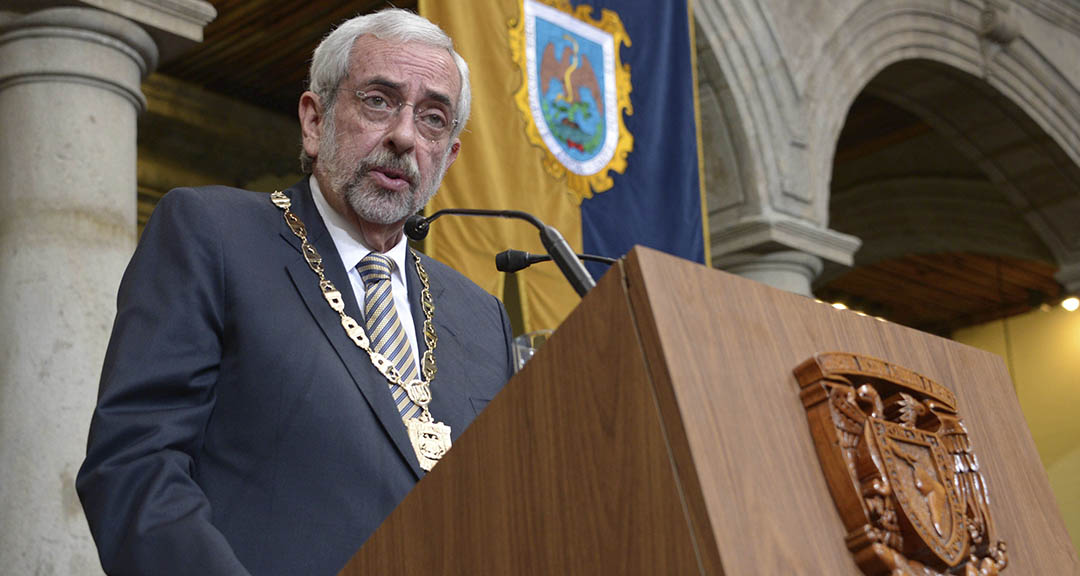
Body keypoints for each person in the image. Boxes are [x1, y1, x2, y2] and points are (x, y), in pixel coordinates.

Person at [76, 9, 514, 576]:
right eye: (379, 100)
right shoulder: (213, 233)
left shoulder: (482, 318)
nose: (405, 136)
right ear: (314, 120)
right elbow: (134, 465)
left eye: (433, 118)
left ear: (448, 157)